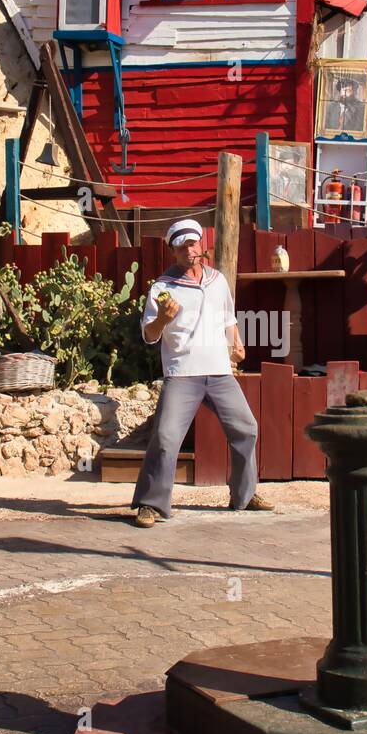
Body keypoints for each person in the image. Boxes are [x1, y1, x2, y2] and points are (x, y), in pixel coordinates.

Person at [132, 218, 274, 528]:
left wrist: (237, 343)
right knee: (167, 438)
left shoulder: (217, 280)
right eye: (182, 247)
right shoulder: (162, 288)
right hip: (182, 373)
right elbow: (149, 335)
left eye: (193, 243)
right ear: (174, 252)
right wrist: (163, 320)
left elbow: (227, 317)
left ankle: (244, 495)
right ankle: (150, 504)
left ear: (202, 245)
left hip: (220, 371)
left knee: (246, 428)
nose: (189, 250)